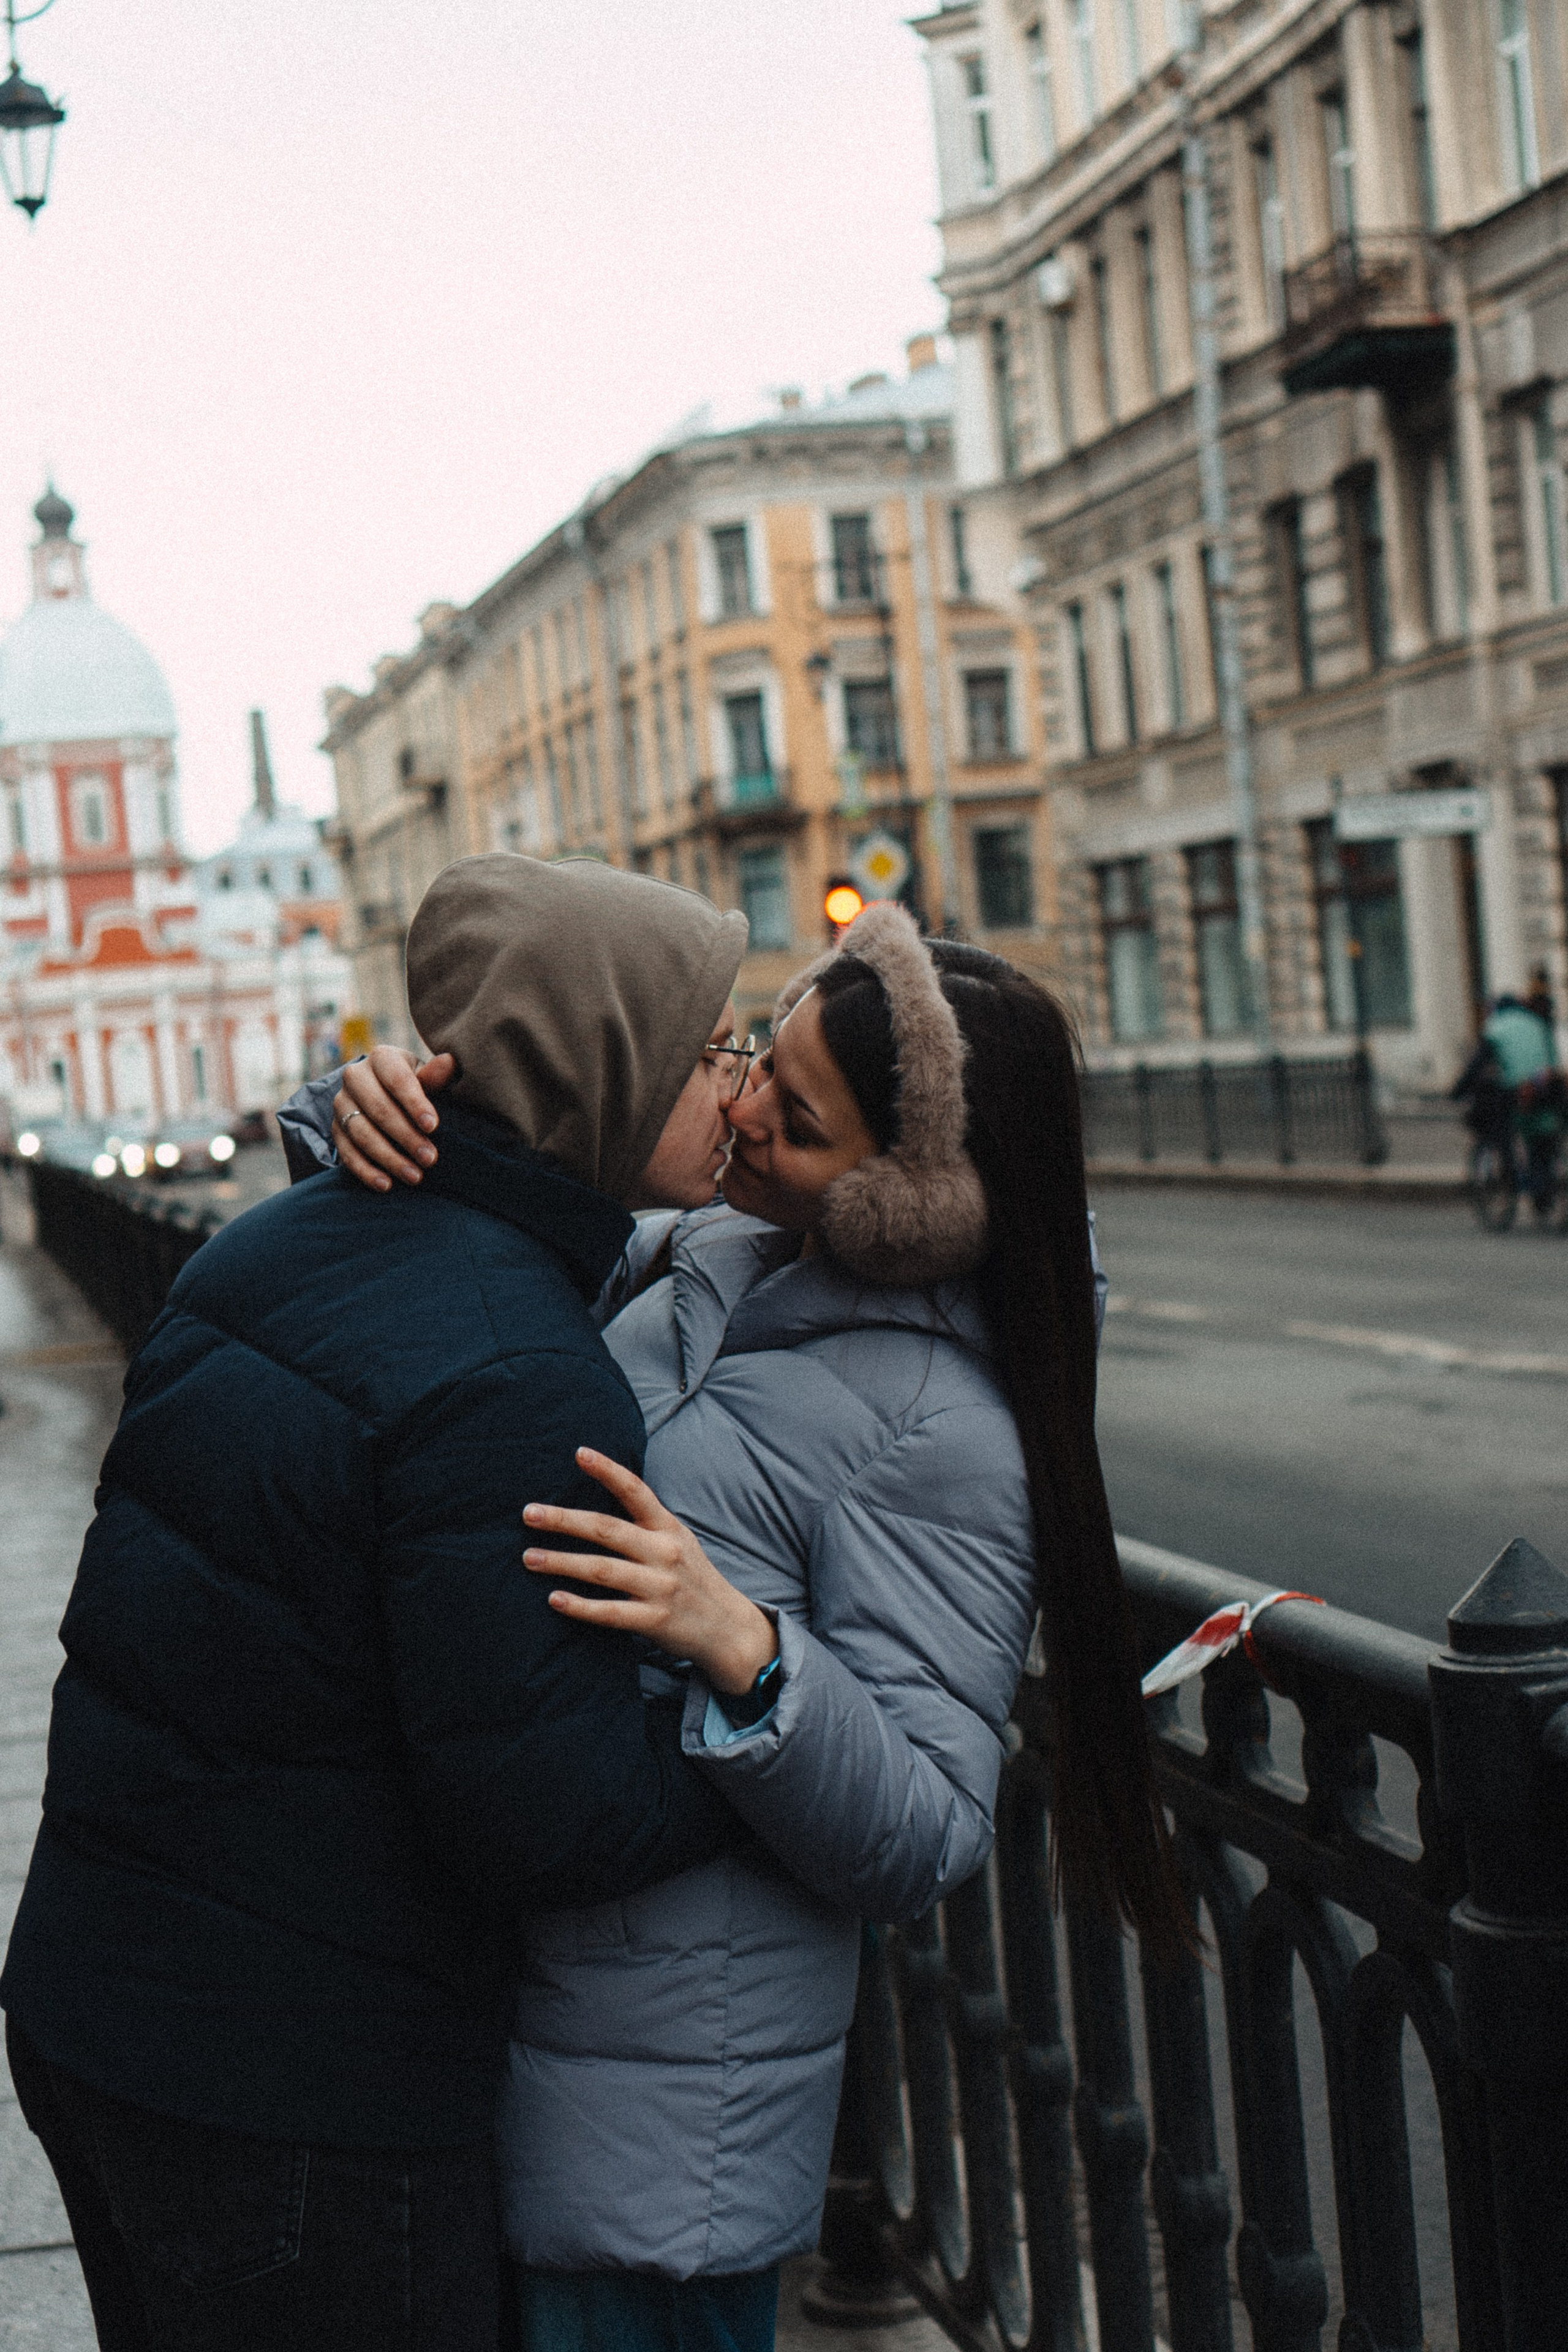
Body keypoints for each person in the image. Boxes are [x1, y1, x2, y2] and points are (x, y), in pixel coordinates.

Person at [301, 901, 1186, 2352]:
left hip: (661, 2126)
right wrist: (377, 1106)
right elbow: (481, 1258)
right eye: (759, 1057)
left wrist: (747, 1648)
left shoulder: (946, 1428)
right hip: (509, 2008)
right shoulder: (708, 1251)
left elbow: (926, 1823)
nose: (745, 1107)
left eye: (803, 1114)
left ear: (907, 1193)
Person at [1, 853, 756, 2352]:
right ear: (599, 1068)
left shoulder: (276, 1240)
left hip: (103, 1998)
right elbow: (545, 1815)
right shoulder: (513, 1360)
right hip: (296, 2087)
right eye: (712, 1049)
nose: (737, 1084)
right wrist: (770, 1721)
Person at [1451, 990, 1564, 1218]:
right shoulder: (1537, 1023)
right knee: (1541, 1133)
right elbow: (1552, 1061)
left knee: (1502, 1132)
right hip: (1548, 1087)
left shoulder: (1496, 1028)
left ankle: (1511, 1184)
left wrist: (1457, 1091)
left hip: (1516, 1092)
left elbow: (1477, 1067)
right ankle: (1544, 1190)